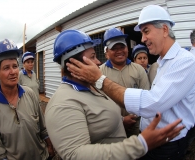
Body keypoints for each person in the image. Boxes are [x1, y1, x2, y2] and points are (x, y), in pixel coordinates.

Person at [66, 5, 195, 160]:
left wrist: (99, 80)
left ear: (165, 30)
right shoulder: (164, 62)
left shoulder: (185, 62)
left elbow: (152, 103)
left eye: (146, 31)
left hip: (168, 144)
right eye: (142, 33)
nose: (142, 39)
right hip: (152, 140)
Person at [45, 29, 184, 160]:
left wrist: (121, 121)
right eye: (93, 57)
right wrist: (140, 144)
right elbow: (75, 154)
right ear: (73, 64)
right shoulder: (63, 103)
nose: (98, 62)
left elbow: (99, 119)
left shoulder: (93, 86)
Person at [0, 39, 55, 160]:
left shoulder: (30, 94)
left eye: (15, 66)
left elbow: (43, 128)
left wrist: (49, 146)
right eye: (6, 68)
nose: (13, 72)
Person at [100, 28, 150, 137]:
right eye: (114, 48)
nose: (119, 51)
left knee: (136, 151)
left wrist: (134, 117)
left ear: (127, 48)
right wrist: (121, 120)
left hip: (136, 124)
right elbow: (98, 103)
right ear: (107, 51)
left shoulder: (139, 70)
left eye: (122, 47)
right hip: (111, 126)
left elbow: (146, 97)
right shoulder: (100, 72)